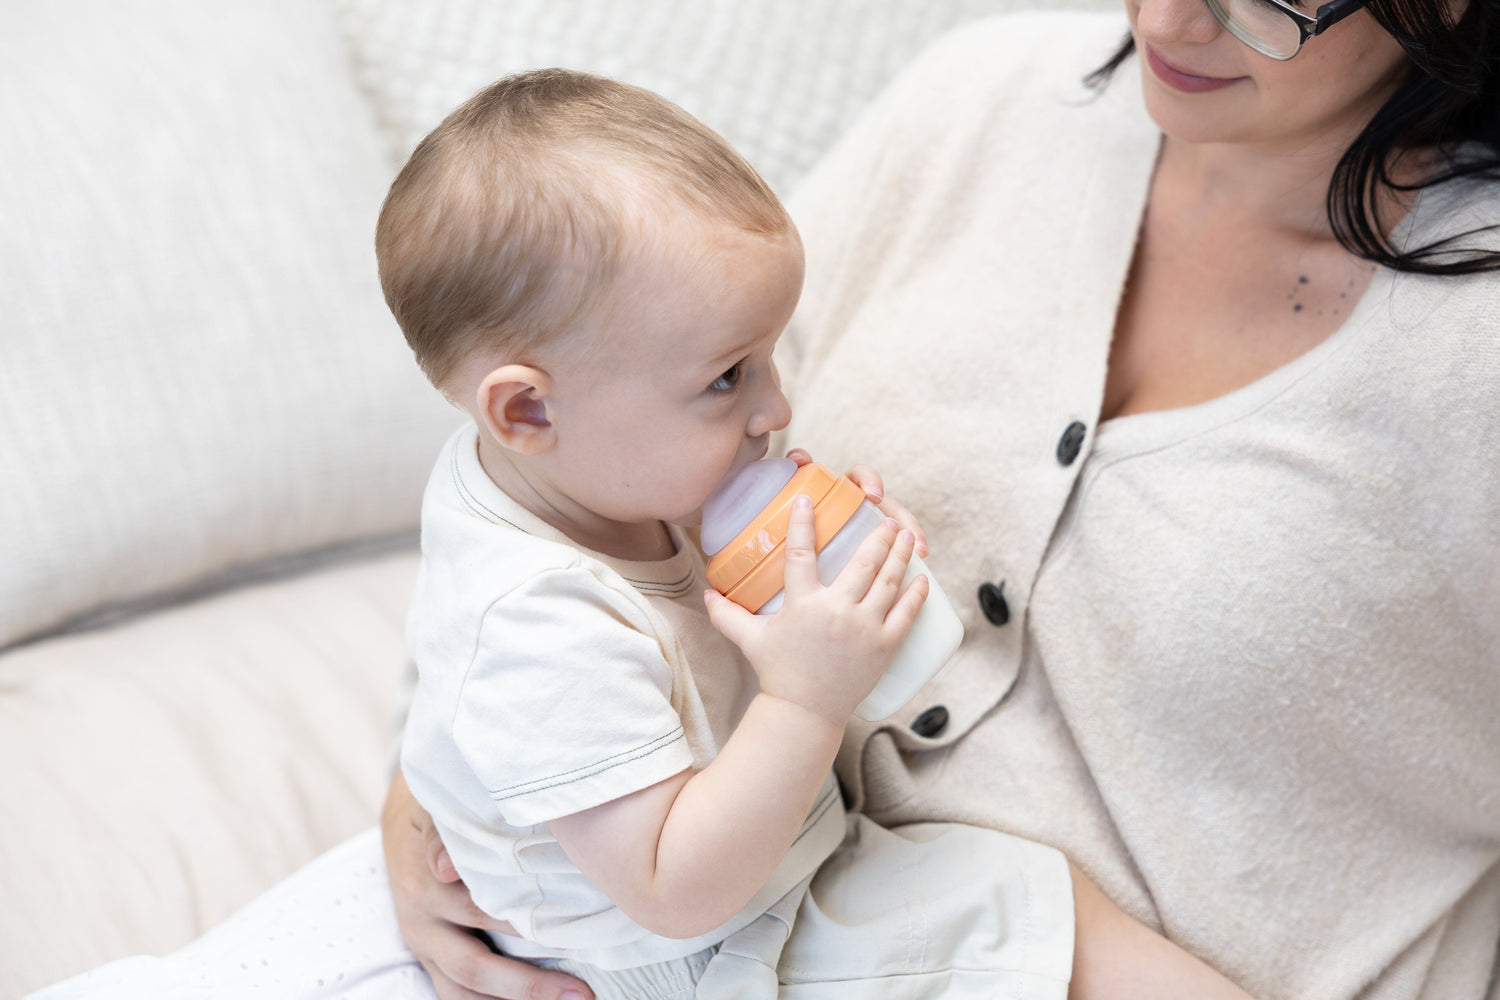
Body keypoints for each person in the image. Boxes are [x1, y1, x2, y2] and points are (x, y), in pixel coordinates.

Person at [381, 0, 1500, 998]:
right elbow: (583, 466)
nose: (1162, 23)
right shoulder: (985, 102)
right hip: (673, 922)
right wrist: (460, 793)